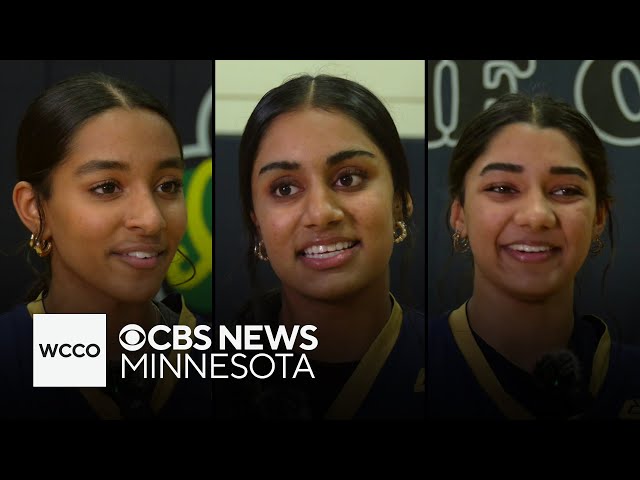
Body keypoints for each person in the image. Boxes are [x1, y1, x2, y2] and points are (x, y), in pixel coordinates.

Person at [0, 72, 211, 419]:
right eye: (107, 187)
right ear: (35, 208)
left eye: (169, 186)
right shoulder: (13, 357)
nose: (152, 219)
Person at [215, 74, 424, 419]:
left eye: (349, 178)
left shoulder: (454, 363)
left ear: (399, 201)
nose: (321, 213)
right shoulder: (197, 369)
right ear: (257, 224)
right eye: (284, 189)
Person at [428, 92, 640, 419]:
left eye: (565, 191)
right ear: (459, 215)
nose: (537, 215)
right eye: (502, 188)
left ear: (599, 217)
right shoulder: (403, 366)